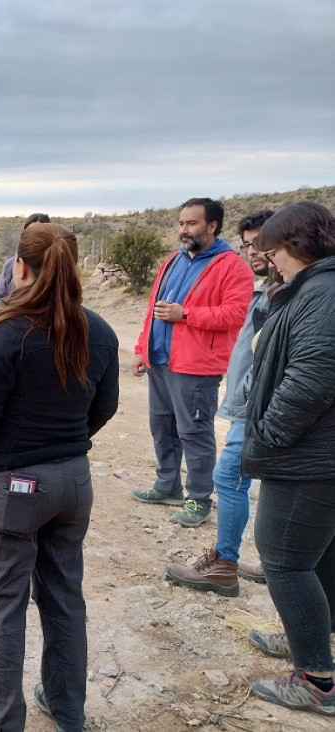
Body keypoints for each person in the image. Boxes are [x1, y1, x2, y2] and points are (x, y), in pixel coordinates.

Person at [0, 223, 120, 731]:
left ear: (20, 267)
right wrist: (66, 448)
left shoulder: (9, 333)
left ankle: (0, 719)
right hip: (73, 483)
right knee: (64, 597)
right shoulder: (101, 331)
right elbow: (104, 407)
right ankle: (68, 709)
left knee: (3, 606)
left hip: (11, 488)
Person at [241, 202, 335, 716]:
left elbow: (314, 375)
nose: (271, 262)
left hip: (307, 459)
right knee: (319, 556)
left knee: (283, 559)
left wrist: (272, 434)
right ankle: (314, 643)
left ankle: (317, 679)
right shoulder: (319, 288)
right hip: (318, 455)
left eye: (273, 252)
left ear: (297, 246)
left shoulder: (323, 292)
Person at [166, 210, 276, 595]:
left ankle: (226, 563)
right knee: (256, 482)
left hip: (262, 407)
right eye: (246, 243)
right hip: (250, 402)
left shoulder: (295, 293)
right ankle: (262, 560)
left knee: (229, 476)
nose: (252, 251)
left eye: (260, 242)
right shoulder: (269, 289)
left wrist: (187, 314)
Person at [130, 198, 252, 526]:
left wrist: (187, 314)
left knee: (194, 432)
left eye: (192, 224)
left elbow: (236, 314)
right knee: (163, 427)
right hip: (160, 361)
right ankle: (167, 486)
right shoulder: (172, 260)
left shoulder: (232, 266)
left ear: (212, 226)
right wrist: (143, 348)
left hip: (196, 366)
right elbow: (153, 309)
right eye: (181, 223)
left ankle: (199, 499)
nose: (184, 230)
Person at [0, 213, 51, 308]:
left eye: (39, 233)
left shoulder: (56, 265)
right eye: (29, 232)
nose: (34, 237)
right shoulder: (11, 264)